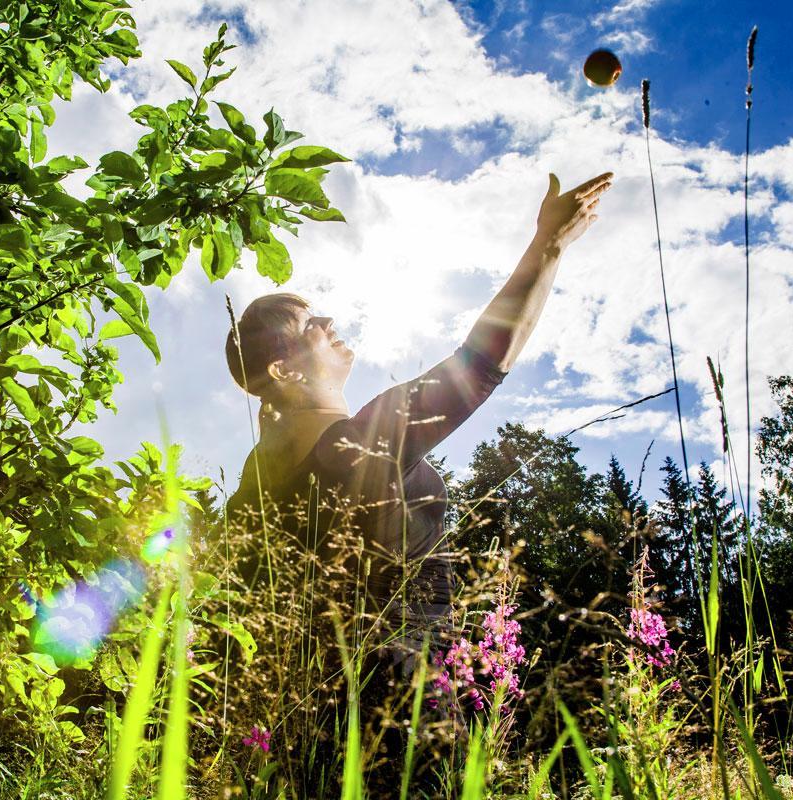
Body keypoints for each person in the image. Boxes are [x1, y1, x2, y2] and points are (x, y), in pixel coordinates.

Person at [223, 170, 612, 793]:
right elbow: (483, 360)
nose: (328, 321)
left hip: (310, 725)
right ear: (282, 368)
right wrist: (548, 246)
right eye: (310, 323)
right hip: (405, 705)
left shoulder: (259, 482)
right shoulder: (356, 442)